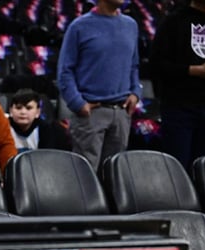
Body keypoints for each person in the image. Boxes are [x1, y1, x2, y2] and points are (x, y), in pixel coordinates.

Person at [56, 0, 141, 171]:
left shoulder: (131, 25)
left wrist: (135, 92)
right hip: (91, 113)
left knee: (114, 177)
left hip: (121, 113)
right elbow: (65, 71)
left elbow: (134, 64)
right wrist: (78, 104)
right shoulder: (79, 26)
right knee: (85, 178)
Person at [150, 0, 205, 171]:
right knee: (177, 171)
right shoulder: (173, 21)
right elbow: (157, 65)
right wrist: (195, 71)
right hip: (178, 108)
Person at [8, 88, 71, 153]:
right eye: (18, 108)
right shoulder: (2, 127)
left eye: (28, 108)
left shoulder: (50, 129)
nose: (23, 112)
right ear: (10, 111)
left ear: (38, 112)